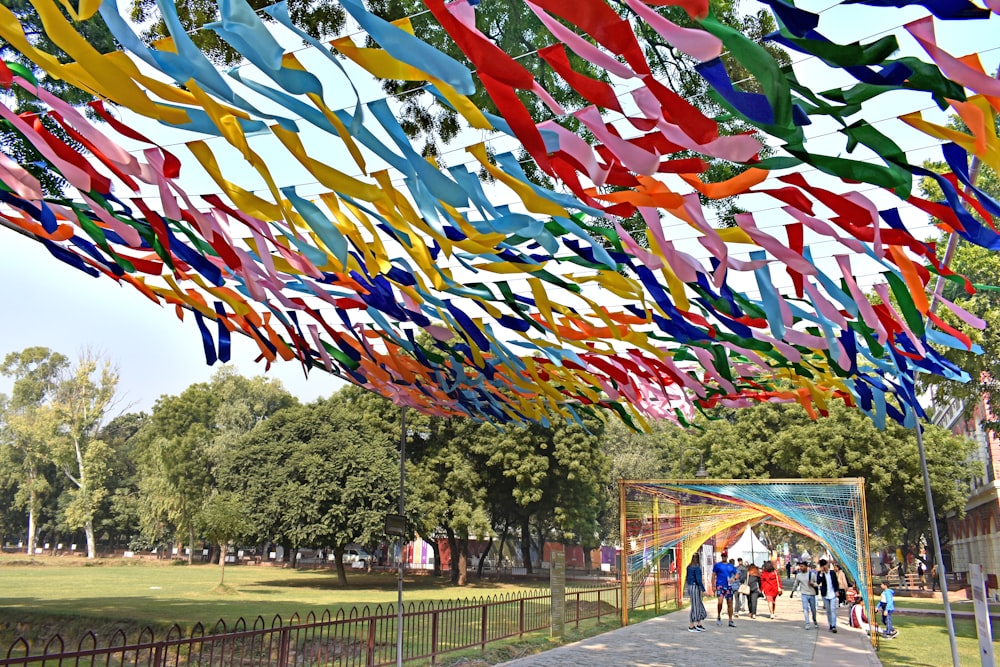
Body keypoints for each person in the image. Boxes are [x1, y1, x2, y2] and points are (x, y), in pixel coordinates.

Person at [790, 561, 819, 629]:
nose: (801, 568)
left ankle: (814, 620)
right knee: (805, 609)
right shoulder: (799, 575)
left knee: (813, 609)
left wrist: (813, 584)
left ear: (806, 567)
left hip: (812, 594)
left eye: (802, 566)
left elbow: (817, 584)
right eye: (800, 566)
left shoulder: (812, 575)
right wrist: (792, 592)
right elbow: (796, 584)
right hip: (804, 594)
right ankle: (807, 623)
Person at [712, 551, 738, 627]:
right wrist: (713, 586)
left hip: (728, 586)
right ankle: (719, 616)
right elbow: (713, 575)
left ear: (727, 557)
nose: (724, 557)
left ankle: (730, 620)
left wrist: (734, 578)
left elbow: (737, 573)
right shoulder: (717, 565)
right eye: (722, 556)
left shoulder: (731, 566)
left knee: (729, 602)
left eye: (725, 556)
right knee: (720, 601)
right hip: (720, 585)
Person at [685, 553, 708, 632]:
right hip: (695, 587)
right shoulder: (697, 568)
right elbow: (699, 580)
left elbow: (687, 578)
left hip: (690, 586)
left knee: (698, 605)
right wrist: (703, 590)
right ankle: (691, 625)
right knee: (695, 606)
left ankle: (699, 624)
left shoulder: (689, 567)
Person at [817, 559, 840, 633]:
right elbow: (818, 582)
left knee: (833, 610)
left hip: (832, 594)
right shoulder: (820, 573)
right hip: (825, 594)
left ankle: (834, 625)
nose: (825, 567)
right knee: (828, 611)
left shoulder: (832, 573)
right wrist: (821, 573)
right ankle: (830, 624)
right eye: (823, 566)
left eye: (826, 565)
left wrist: (836, 591)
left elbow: (836, 582)